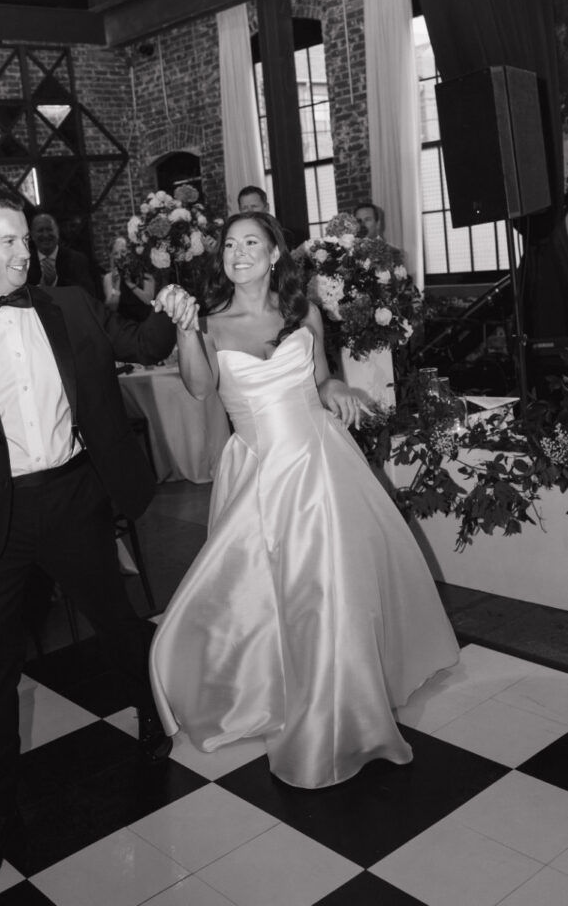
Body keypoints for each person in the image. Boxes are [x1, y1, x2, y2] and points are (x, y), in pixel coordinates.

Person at [0, 188, 192, 893]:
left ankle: (150, 715)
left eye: (24, 240)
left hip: (71, 498)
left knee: (117, 621)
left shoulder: (65, 304)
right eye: (7, 241)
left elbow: (139, 345)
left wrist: (173, 310)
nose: (22, 251)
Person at [150, 210, 459, 790]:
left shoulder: (304, 313)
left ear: (273, 256)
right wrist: (186, 329)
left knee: (332, 587)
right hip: (260, 472)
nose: (238, 253)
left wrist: (338, 386)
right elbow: (197, 388)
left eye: (251, 243)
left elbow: (320, 379)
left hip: (320, 462)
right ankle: (277, 690)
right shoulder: (211, 322)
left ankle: (346, 704)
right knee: (273, 595)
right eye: (229, 245)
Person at [26, 211, 97, 297]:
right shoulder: (25, 263)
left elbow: (88, 294)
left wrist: (56, 281)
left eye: (49, 229)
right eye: (40, 230)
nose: (45, 235)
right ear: (32, 235)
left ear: (57, 232)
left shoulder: (77, 260)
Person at [102, 235, 155, 321]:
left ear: (130, 252)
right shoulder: (108, 278)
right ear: (111, 256)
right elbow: (111, 310)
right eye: (115, 253)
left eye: (123, 251)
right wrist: (116, 287)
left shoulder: (144, 272)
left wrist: (130, 284)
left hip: (145, 323)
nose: (119, 256)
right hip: (124, 327)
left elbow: (148, 300)